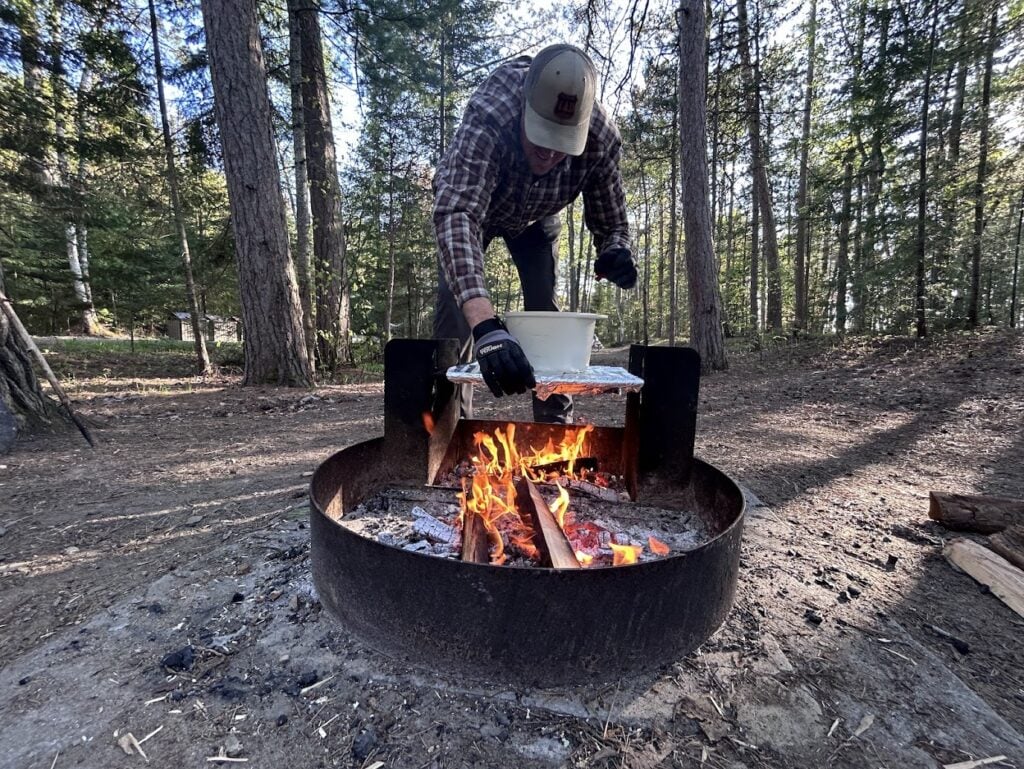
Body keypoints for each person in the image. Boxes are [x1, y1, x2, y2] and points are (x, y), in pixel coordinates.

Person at [432, 43, 636, 424]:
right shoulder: (493, 111)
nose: (549, 155)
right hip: (479, 206)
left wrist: (615, 251)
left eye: (561, 147)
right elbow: (458, 212)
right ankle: (447, 429)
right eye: (540, 139)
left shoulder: (601, 138)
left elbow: (613, 224)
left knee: (545, 306)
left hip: (539, 218)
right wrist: (487, 327)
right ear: (524, 109)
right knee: (455, 315)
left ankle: (555, 427)